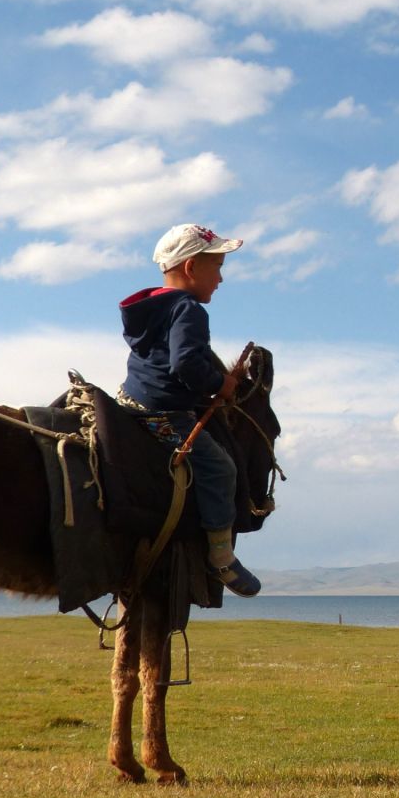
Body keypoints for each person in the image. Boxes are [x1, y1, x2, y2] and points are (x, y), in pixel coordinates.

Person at [118, 222, 260, 597]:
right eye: (217, 267)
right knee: (221, 469)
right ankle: (221, 557)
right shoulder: (188, 310)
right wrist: (220, 384)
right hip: (163, 413)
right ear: (191, 267)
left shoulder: (152, 309)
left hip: (128, 401)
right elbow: (185, 363)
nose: (221, 280)